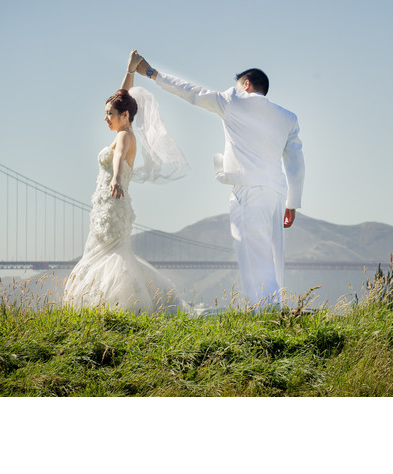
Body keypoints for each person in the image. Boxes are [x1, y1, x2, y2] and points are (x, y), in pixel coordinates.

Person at [123, 50, 305, 309]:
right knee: (274, 257)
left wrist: (153, 74)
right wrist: (292, 202)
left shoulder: (233, 100)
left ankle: (266, 312)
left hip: (247, 191)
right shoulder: (288, 117)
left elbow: (193, 92)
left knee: (253, 255)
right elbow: (296, 163)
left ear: (246, 84)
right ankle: (274, 309)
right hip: (276, 193)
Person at [63, 79, 190, 314]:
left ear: (125, 115)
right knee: (109, 251)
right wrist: (130, 70)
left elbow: (119, 156)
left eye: (110, 114)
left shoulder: (123, 137)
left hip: (112, 200)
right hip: (109, 203)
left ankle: (118, 304)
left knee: (110, 253)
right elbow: (123, 94)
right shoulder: (127, 132)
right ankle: (108, 302)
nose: (106, 118)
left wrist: (116, 179)